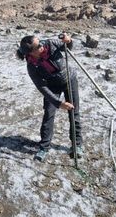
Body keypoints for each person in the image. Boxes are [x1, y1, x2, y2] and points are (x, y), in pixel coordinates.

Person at [16, 33, 83, 162]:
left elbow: (67, 47)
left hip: (69, 79)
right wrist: (59, 103)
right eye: (38, 45)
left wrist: (68, 40)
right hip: (51, 85)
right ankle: (44, 147)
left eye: (40, 41)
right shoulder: (31, 66)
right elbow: (42, 87)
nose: (42, 44)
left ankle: (77, 145)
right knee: (48, 114)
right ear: (31, 53)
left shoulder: (50, 43)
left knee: (74, 112)